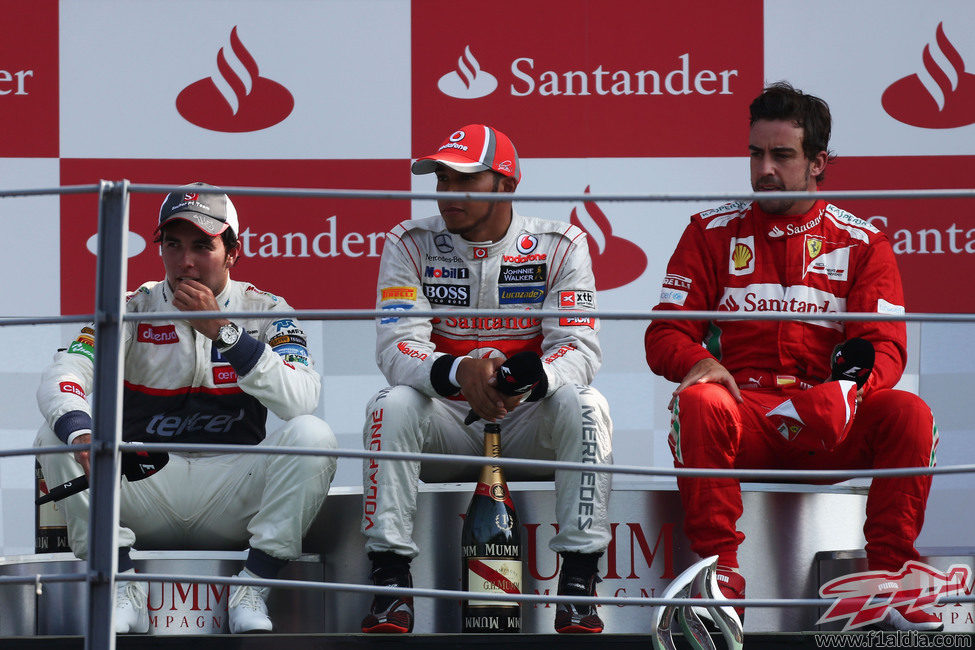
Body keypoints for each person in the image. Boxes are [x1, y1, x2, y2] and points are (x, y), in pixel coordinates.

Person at [645, 82, 940, 632]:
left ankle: (888, 578)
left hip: (830, 422)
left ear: (818, 163)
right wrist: (696, 361)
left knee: (910, 414)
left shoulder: (862, 241)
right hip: (749, 417)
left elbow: (887, 346)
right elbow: (664, 333)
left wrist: (850, 392)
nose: (764, 170)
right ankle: (719, 577)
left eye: (782, 155)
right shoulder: (710, 232)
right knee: (700, 399)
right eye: (756, 153)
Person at [35, 183, 338, 634]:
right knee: (54, 432)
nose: (186, 262)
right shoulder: (130, 308)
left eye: (203, 246)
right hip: (146, 489)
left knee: (315, 436)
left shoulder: (267, 310)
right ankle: (119, 581)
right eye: (173, 246)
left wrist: (225, 334)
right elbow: (63, 374)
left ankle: (253, 585)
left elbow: (302, 398)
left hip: (233, 497)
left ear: (233, 252)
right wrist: (81, 432)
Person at [360, 124, 613, 634]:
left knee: (587, 403)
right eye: (442, 180)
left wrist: (531, 375)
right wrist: (458, 373)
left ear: (505, 183)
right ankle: (390, 584)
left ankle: (579, 586)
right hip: (449, 421)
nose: (448, 194)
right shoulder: (409, 243)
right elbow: (396, 346)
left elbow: (578, 348)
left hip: (525, 421)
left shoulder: (561, 244)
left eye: (465, 180)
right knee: (390, 402)